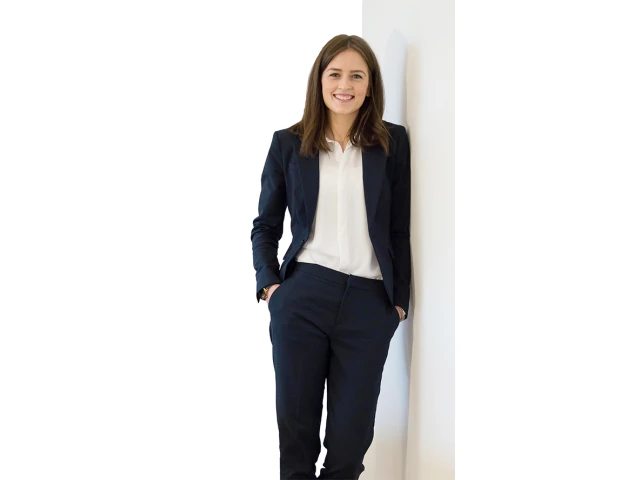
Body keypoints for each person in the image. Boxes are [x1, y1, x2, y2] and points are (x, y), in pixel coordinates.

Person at [251, 34, 411, 480]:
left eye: (357, 76)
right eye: (335, 74)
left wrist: (398, 302)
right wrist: (271, 287)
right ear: (319, 80)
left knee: (349, 445)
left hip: (368, 303)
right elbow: (266, 225)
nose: (345, 85)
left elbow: (399, 229)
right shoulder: (288, 143)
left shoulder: (392, 143)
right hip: (303, 296)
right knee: (296, 440)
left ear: (370, 84)